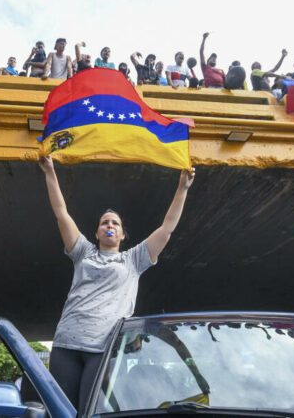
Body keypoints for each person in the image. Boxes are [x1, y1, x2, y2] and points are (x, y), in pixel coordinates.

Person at [38, 155, 195, 410]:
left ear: (122, 234)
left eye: (115, 223)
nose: (109, 225)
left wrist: (182, 188)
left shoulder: (133, 259)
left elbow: (167, 228)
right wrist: (49, 171)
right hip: (66, 344)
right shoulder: (82, 252)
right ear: (97, 232)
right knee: (61, 412)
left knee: (92, 412)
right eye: (104, 222)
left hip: (103, 350)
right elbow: (61, 212)